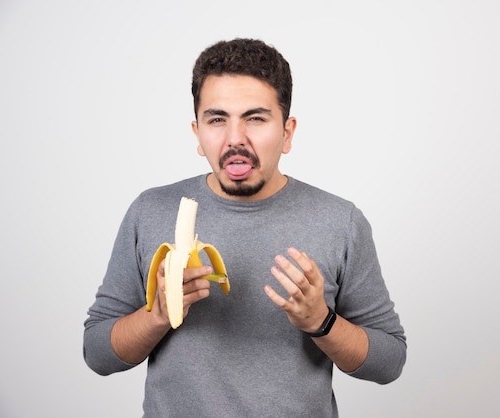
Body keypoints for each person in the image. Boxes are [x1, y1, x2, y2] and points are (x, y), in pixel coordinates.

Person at [83, 38, 406, 417]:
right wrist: (156, 315)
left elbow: (389, 361)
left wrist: (321, 321)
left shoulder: (341, 221)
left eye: (255, 118)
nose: (235, 138)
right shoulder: (150, 211)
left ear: (287, 132)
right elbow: (98, 354)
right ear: (197, 133)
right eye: (217, 119)